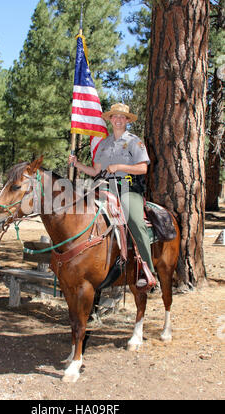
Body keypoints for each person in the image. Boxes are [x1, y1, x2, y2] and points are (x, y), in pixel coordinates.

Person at [68, 103, 156, 289]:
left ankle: (147, 271)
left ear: (127, 120)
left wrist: (120, 167)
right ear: (110, 119)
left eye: (122, 117)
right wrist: (77, 164)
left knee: (135, 222)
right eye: (114, 116)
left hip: (127, 188)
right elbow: (95, 171)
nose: (118, 120)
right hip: (104, 186)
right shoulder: (104, 144)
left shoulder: (134, 141)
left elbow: (143, 168)